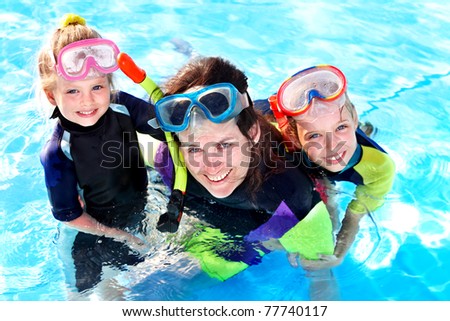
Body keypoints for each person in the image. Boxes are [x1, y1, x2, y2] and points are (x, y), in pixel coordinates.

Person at [144, 56, 339, 299]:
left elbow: (321, 280)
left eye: (224, 145)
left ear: (252, 133)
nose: (211, 166)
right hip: (210, 200)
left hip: (259, 211)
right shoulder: (169, 158)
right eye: (194, 148)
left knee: (173, 285)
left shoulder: (289, 193)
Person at [37, 13, 164, 294]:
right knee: (82, 298)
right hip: (86, 237)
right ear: (51, 95)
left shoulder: (122, 107)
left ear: (110, 84)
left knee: (117, 294)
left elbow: (167, 127)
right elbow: (68, 215)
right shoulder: (58, 152)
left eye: (97, 87)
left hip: (135, 212)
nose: (88, 100)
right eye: (72, 91)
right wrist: (122, 237)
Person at [266, 64, 396, 270]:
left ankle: (356, 131)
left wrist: (339, 253)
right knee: (321, 207)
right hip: (284, 140)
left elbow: (355, 214)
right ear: (295, 138)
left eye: (341, 127)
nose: (332, 146)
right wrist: (287, 239)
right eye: (315, 135)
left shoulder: (378, 167)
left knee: (330, 218)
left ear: (354, 118)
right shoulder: (276, 144)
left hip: (314, 153)